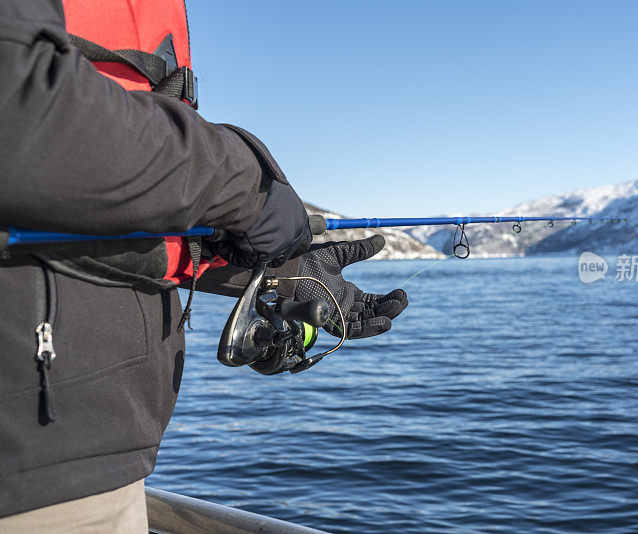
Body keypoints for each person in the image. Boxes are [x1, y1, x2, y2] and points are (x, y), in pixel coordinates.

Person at [0, 0, 407, 531]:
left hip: (78, 446)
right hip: (36, 455)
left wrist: (267, 272)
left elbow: (87, 206)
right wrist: (245, 184)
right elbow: (23, 111)